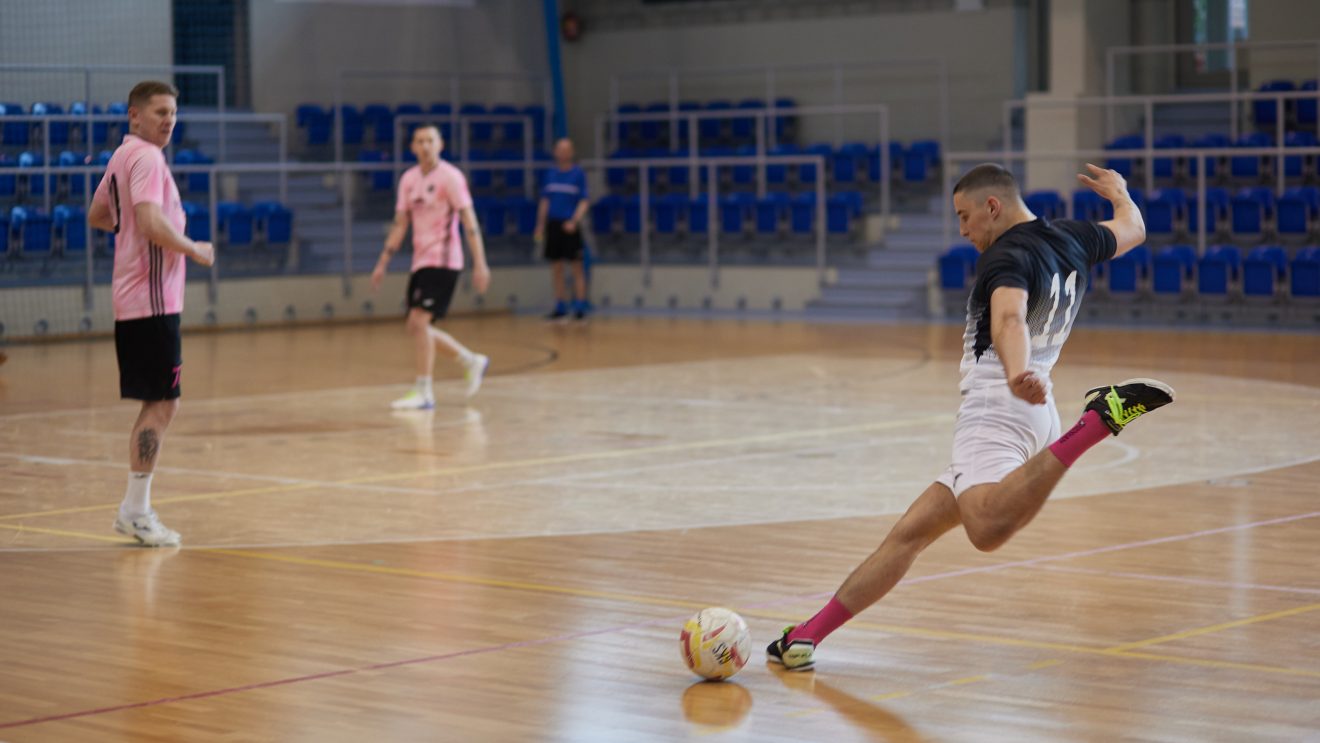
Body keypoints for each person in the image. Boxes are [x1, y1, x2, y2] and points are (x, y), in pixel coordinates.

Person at [767, 163, 1175, 671]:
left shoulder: (1006, 255)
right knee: (910, 533)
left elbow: (1008, 316)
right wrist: (1121, 195)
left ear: (993, 207)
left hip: (997, 407)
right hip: (1033, 410)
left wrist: (1017, 369)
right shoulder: (1074, 236)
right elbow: (1133, 230)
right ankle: (805, 637)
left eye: (964, 217)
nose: (963, 231)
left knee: (984, 527)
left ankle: (1095, 423)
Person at [86, 80, 215, 547]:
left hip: (135, 299)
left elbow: (100, 213)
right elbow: (148, 221)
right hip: (153, 301)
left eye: (173, 113)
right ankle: (134, 513)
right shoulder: (146, 157)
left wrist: (134, 240)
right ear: (134, 116)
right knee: (162, 405)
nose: (169, 120)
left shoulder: (123, 157)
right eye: (160, 111)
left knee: (161, 402)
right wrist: (193, 249)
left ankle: (135, 510)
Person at [372, 124, 491, 410]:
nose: (425, 146)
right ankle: (470, 360)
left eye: (430, 140)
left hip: (444, 260)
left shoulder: (451, 177)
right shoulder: (408, 180)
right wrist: (382, 262)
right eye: (419, 141)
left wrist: (480, 263)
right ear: (412, 147)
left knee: (419, 323)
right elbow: (401, 224)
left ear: (440, 144)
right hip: (420, 261)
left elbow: (469, 221)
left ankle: (425, 390)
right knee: (416, 326)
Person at [535, 138, 591, 321]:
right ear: (555, 152)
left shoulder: (578, 174)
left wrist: (574, 220)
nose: (562, 152)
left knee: (576, 267)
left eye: (566, 149)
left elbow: (584, 201)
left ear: (572, 152)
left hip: (570, 225)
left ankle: (580, 306)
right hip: (553, 225)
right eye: (559, 149)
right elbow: (545, 200)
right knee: (556, 267)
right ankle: (560, 305)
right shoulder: (550, 174)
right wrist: (540, 224)